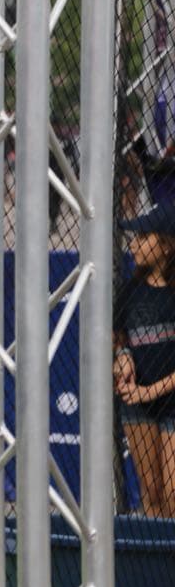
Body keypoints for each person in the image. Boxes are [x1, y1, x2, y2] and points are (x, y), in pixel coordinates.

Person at [115, 203, 175, 517]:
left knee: (172, 494)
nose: (134, 244)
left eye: (143, 237)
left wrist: (148, 392)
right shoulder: (129, 291)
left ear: (166, 246)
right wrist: (122, 355)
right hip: (137, 406)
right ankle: (152, 549)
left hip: (170, 400)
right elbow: (117, 336)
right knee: (150, 491)